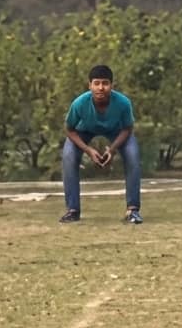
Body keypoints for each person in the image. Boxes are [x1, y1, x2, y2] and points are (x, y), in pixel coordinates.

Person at [58, 64, 143, 224]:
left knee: (133, 156)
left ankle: (132, 210)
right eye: (96, 83)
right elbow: (69, 129)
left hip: (117, 131)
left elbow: (127, 128)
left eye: (105, 83)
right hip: (85, 130)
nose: (101, 88)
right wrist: (88, 150)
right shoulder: (80, 103)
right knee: (68, 156)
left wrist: (112, 149)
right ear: (89, 85)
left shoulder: (123, 103)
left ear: (112, 85)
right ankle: (72, 210)